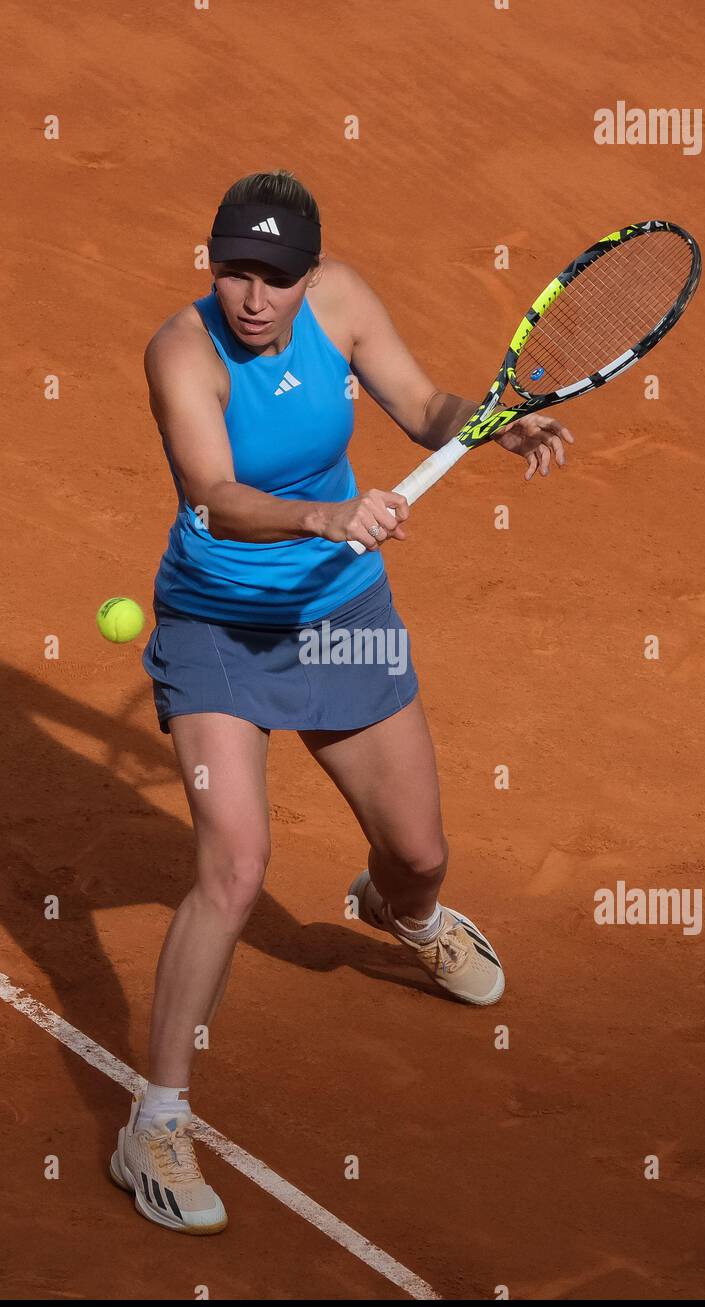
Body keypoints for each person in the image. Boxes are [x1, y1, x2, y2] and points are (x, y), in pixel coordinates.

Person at [110, 169, 574, 1234]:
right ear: (211, 263)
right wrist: (325, 517)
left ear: (311, 275)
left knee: (416, 851)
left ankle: (399, 913)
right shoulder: (179, 351)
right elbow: (215, 498)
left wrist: (488, 423)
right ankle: (158, 1119)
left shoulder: (346, 304)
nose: (253, 296)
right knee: (233, 863)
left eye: (276, 276)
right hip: (216, 631)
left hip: (341, 617)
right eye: (234, 270)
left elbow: (420, 408)